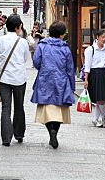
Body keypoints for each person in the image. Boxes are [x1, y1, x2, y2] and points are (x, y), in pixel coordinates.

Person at [31, 21, 75, 149]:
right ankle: (54, 131)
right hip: (61, 81)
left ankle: (50, 130)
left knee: (46, 108)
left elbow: (36, 62)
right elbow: (70, 69)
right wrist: (71, 86)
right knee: (59, 109)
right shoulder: (65, 48)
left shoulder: (42, 45)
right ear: (62, 35)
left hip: (45, 79)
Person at [0, 15, 31, 146]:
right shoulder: (23, 42)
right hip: (19, 78)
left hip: (4, 78)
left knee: (5, 108)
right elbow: (25, 59)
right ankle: (19, 134)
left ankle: (6, 138)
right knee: (19, 107)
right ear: (19, 27)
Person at [84, 30, 105, 128]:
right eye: (102, 37)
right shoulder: (90, 50)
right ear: (97, 37)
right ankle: (104, 117)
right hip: (94, 74)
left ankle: (96, 119)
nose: (104, 39)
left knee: (101, 98)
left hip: (104, 74)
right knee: (99, 99)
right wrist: (86, 80)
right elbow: (87, 66)